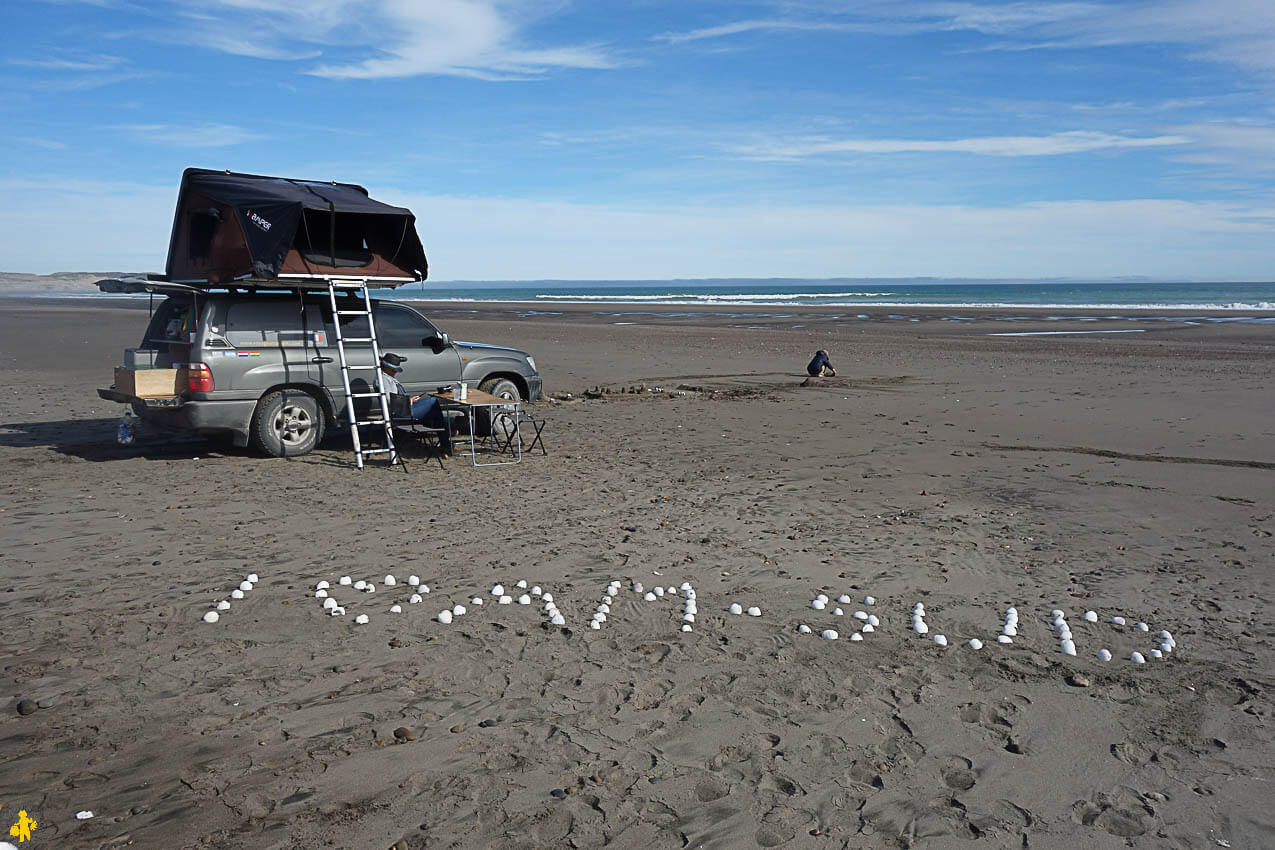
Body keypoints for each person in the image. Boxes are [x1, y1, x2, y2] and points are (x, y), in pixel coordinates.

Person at [379, 352, 452, 455]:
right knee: (433, 402)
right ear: (385, 367)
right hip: (400, 413)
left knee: (434, 411)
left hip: (403, 408)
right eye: (393, 369)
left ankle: (445, 440)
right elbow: (390, 400)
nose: (395, 372)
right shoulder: (383, 379)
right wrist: (410, 401)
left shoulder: (386, 377)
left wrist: (410, 400)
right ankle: (445, 438)